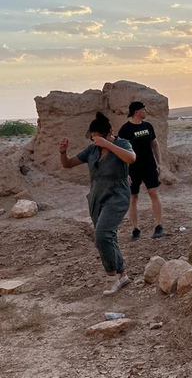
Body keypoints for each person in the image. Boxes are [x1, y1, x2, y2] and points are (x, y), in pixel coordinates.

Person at [59, 112, 136, 296]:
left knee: (102, 235)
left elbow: (131, 158)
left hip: (117, 196)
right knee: (109, 237)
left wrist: (108, 145)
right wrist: (63, 152)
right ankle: (122, 275)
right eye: (92, 135)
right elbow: (68, 164)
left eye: (96, 135)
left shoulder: (121, 144)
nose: (93, 139)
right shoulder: (91, 150)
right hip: (96, 197)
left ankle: (111, 279)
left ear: (108, 133)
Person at [118, 101, 164, 240]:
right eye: (144, 109)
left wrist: (159, 163)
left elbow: (154, 144)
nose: (146, 111)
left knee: (154, 193)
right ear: (137, 111)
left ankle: (159, 226)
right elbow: (120, 152)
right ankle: (135, 229)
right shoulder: (125, 130)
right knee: (133, 198)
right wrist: (124, 172)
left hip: (149, 166)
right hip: (132, 168)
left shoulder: (148, 126)